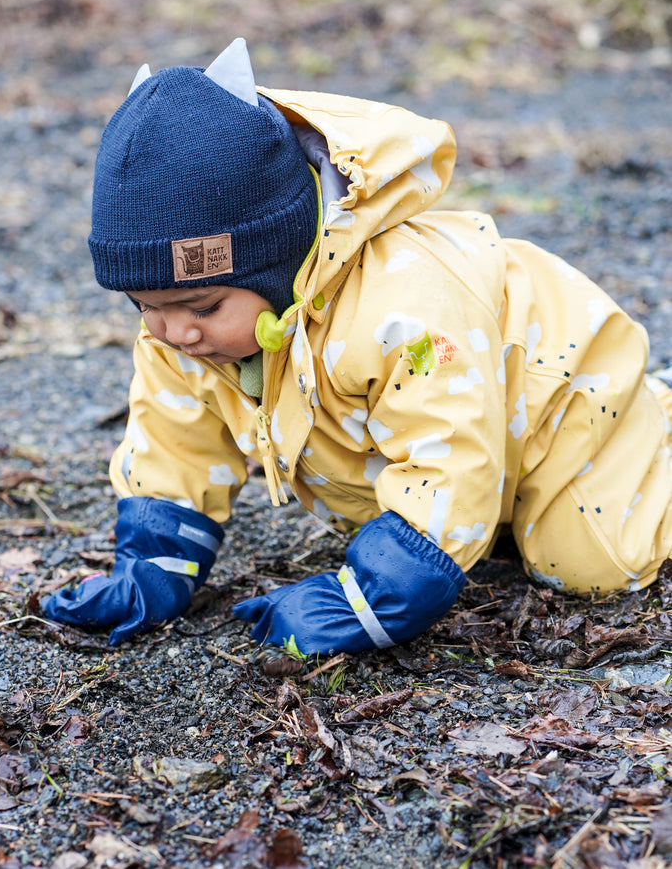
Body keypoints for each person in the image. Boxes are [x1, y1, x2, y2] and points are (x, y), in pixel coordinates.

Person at [41, 38, 672, 655]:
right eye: (146, 306)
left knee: (593, 562)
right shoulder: (193, 335)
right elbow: (174, 437)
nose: (176, 332)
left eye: (203, 307)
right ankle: (491, 517)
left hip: (568, 404)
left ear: (278, 265)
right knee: (482, 532)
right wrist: (154, 559)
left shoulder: (405, 312)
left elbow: (447, 447)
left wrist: (375, 595)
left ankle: (654, 442)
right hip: (487, 436)